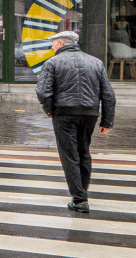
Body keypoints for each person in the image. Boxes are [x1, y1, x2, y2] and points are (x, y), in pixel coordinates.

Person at [35, 30, 114, 212]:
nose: (52, 46)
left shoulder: (52, 63)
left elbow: (42, 92)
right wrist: (106, 121)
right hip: (90, 113)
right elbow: (108, 95)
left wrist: (49, 110)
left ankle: (79, 199)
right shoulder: (96, 62)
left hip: (64, 113)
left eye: (54, 42)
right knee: (83, 151)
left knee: (69, 155)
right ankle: (81, 192)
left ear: (62, 43)